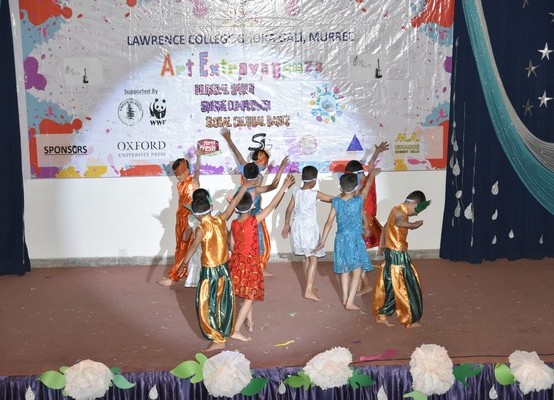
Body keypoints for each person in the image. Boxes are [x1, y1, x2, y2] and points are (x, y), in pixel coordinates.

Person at [180, 180, 256, 352]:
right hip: (224, 269)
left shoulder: (201, 228)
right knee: (223, 302)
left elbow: (193, 246)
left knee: (207, 305)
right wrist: (244, 187)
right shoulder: (221, 218)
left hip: (210, 273)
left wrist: (184, 263)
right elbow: (233, 205)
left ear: (197, 215)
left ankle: (218, 338)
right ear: (210, 208)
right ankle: (223, 332)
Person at [230, 174, 296, 341]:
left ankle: (250, 322)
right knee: (250, 296)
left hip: (237, 262)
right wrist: (284, 187)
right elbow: (273, 204)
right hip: (250, 263)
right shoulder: (254, 221)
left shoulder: (234, 223)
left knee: (246, 294)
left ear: (236, 208)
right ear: (252, 206)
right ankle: (236, 330)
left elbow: (231, 245)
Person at [316, 169, 380, 310]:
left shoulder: (336, 202)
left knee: (344, 269)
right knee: (357, 270)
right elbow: (367, 186)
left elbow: (328, 222)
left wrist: (323, 241)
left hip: (340, 239)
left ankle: (345, 297)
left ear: (340, 188)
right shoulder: (359, 200)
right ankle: (350, 302)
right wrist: (372, 174)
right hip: (355, 240)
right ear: (356, 187)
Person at [372, 190, 431, 328]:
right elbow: (399, 222)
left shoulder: (395, 209)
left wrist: (381, 245)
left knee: (391, 285)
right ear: (414, 204)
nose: (416, 214)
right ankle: (408, 318)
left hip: (392, 253)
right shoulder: (400, 213)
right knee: (407, 285)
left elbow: (386, 227)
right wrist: (413, 225)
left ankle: (382, 314)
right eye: (417, 210)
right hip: (397, 255)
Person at [281, 166, 333, 301]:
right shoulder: (315, 193)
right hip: (309, 228)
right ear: (314, 180)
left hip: (297, 227)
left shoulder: (296, 191)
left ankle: (309, 285)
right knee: (313, 257)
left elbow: (289, 209)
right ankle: (309, 290)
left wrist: (286, 224)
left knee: (306, 257)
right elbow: (332, 199)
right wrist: (347, 196)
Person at [344, 141, 389, 295]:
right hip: (362, 223)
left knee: (357, 256)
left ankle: (365, 285)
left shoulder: (364, 183)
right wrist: (376, 152)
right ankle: (360, 284)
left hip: (364, 224)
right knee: (358, 255)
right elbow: (370, 165)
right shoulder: (365, 179)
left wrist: (376, 153)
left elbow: (370, 166)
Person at [235, 157, 289, 276]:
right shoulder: (256, 190)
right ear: (256, 176)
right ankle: (258, 268)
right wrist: (281, 167)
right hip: (254, 222)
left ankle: (245, 267)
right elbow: (274, 185)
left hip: (241, 221)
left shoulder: (240, 189)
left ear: (244, 175)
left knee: (243, 245)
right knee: (258, 245)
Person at [157, 149, 203, 287]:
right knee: (181, 247)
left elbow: (197, 171)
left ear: (187, 171)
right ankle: (182, 274)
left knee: (183, 248)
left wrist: (198, 157)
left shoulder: (193, 182)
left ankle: (173, 277)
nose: (178, 176)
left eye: (180, 173)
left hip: (190, 221)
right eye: (176, 174)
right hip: (180, 220)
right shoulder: (179, 184)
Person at [180, 188, 215, 288]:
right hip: (202, 253)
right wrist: (189, 228)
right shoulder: (192, 218)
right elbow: (185, 238)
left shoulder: (215, 216)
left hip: (208, 252)